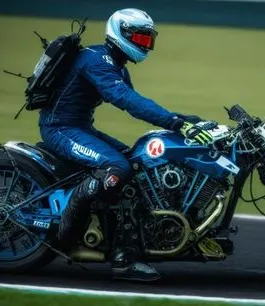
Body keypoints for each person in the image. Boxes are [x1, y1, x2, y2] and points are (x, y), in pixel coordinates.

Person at [38, 8, 215, 281]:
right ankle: (72, 231)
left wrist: (185, 119)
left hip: (79, 128)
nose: (145, 45)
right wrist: (174, 122)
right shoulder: (96, 60)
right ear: (120, 33)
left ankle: (125, 247)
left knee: (137, 165)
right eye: (140, 39)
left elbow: (133, 101)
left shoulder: (113, 64)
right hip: (60, 129)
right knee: (118, 167)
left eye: (148, 40)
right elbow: (124, 99)